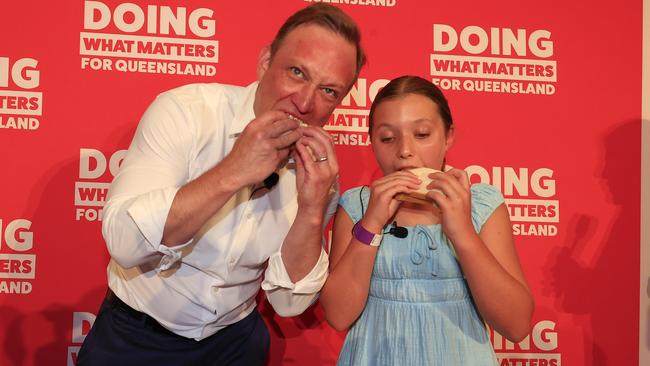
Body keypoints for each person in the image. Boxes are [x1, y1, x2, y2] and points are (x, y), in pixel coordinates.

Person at [77, 4, 365, 366]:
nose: (305, 103)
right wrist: (233, 170)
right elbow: (124, 243)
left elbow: (288, 303)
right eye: (296, 72)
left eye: (328, 91)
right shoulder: (187, 112)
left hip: (235, 345)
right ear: (265, 62)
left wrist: (311, 208)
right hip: (134, 337)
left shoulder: (319, 170)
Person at [319, 76, 534, 365]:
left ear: (448, 136)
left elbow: (516, 325)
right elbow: (338, 315)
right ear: (372, 142)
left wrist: (462, 232)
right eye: (387, 138)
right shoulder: (357, 206)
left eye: (421, 134)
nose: (405, 150)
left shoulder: (481, 204)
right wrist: (371, 224)